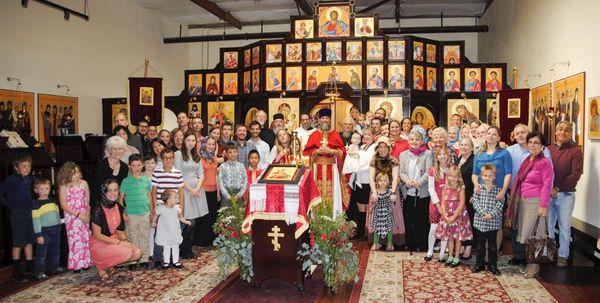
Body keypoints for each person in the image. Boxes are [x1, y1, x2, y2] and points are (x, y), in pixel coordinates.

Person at [506, 131, 554, 278]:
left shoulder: (544, 162)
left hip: (536, 202)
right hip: (524, 201)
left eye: (536, 143)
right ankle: (530, 263)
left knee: (536, 235)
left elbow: (547, 184)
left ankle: (535, 267)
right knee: (526, 234)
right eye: (531, 142)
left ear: (542, 146)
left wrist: (543, 205)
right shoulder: (528, 159)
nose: (532, 145)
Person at [90, 179, 142, 281]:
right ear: (104, 192)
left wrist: (126, 242)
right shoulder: (98, 209)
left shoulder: (118, 206)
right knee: (127, 253)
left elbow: (120, 231)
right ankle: (102, 267)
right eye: (109, 190)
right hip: (99, 244)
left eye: (115, 190)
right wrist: (119, 243)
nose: (113, 193)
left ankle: (110, 265)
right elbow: (97, 235)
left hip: (113, 241)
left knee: (137, 252)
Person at [547, 121, 583, 267]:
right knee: (548, 226)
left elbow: (575, 175)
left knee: (564, 227)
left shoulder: (575, 151)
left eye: (567, 130)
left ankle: (562, 256)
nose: (563, 132)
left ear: (571, 133)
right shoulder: (548, 149)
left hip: (566, 195)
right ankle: (549, 253)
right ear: (555, 131)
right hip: (548, 194)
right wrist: (550, 188)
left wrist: (557, 188)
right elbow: (544, 171)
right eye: (560, 129)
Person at [472, 126, 511, 251]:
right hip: (482, 193)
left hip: (497, 193)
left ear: (499, 137)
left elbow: (508, 173)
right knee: (482, 221)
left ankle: (493, 255)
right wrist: (476, 185)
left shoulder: (504, 153)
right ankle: (482, 255)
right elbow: (474, 174)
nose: (491, 136)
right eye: (488, 133)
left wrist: (503, 191)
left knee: (495, 223)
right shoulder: (479, 154)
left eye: (494, 134)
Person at [302, 108, 349, 214]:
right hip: (316, 169)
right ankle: (316, 220)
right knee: (317, 193)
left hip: (332, 169)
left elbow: (343, 152)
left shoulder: (335, 134)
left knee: (332, 193)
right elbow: (306, 153)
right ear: (319, 120)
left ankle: (333, 219)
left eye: (327, 118)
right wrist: (316, 151)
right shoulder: (314, 135)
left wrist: (332, 150)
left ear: (330, 120)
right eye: (323, 118)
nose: (325, 120)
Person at [0, 155, 35, 282]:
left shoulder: (29, 179)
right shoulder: (11, 180)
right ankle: (16, 273)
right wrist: (10, 203)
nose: (27, 168)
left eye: (29, 166)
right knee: (19, 242)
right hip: (17, 214)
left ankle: (30, 268)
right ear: (16, 167)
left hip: (29, 213)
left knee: (29, 240)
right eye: (24, 166)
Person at [174, 133, 208, 259]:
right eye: (189, 140)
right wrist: (190, 189)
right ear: (184, 141)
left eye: (193, 140)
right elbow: (177, 174)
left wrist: (197, 188)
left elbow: (201, 174)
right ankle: (184, 248)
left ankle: (188, 248)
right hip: (184, 190)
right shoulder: (178, 154)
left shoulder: (196, 155)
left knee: (195, 221)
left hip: (197, 191)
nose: (191, 142)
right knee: (189, 221)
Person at [399, 128, 432, 251]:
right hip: (408, 190)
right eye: (412, 139)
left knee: (421, 218)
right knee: (409, 217)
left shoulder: (428, 154)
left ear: (422, 140)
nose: (414, 141)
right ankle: (410, 242)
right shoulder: (403, 155)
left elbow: (429, 172)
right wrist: (407, 181)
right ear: (408, 141)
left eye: (417, 139)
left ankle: (421, 243)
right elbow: (402, 172)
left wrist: (418, 182)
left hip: (422, 191)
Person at [367, 137, 404, 247]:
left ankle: (390, 242)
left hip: (390, 191)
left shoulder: (393, 160)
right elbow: (371, 177)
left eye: (385, 147)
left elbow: (395, 176)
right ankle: (377, 242)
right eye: (380, 147)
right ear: (377, 148)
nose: (382, 149)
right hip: (377, 190)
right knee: (376, 217)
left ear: (388, 148)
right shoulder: (374, 160)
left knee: (390, 217)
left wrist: (392, 193)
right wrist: (374, 192)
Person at [150, 149, 185, 265]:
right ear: (161, 159)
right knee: (160, 232)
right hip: (162, 207)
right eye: (165, 158)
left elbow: (181, 192)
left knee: (173, 232)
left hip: (174, 208)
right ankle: (158, 258)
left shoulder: (178, 173)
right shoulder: (157, 172)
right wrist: (155, 206)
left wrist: (182, 208)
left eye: (170, 158)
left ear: (173, 159)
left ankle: (172, 258)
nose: (168, 160)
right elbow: (154, 191)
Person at [57, 161, 92, 273]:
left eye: (77, 172)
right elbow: (63, 204)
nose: (76, 175)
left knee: (85, 238)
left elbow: (87, 200)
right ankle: (76, 264)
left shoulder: (84, 183)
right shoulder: (64, 185)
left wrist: (87, 213)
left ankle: (86, 262)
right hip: (72, 216)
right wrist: (77, 214)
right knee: (75, 240)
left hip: (84, 214)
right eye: (73, 173)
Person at [119, 154, 152, 269]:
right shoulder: (126, 181)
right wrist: (124, 213)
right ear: (129, 166)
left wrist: (152, 212)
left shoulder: (146, 180)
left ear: (142, 165)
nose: (136, 168)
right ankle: (133, 260)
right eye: (134, 165)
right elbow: (120, 199)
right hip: (131, 214)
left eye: (139, 165)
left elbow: (149, 197)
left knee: (144, 236)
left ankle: (144, 259)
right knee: (132, 237)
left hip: (144, 213)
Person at [435, 166, 472, 267]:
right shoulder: (444, 188)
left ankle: (456, 257)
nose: (452, 178)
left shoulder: (461, 188)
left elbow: (462, 204)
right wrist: (445, 216)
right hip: (447, 215)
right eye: (450, 176)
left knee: (457, 238)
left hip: (458, 216)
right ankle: (450, 255)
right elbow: (442, 202)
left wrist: (453, 217)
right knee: (449, 238)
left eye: (454, 176)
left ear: (458, 177)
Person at [342, 127, 376, 239]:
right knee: (359, 205)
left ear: (373, 136)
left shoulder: (374, 148)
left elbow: (370, 163)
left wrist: (357, 165)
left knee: (367, 206)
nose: (366, 137)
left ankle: (367, 231)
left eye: (369, 135)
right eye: (364, 135)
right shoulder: (361, 147)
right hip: (358, 180)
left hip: (367, 179)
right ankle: (360, 230)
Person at [471, 164, 503, 275]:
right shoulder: (478, 189)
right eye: (485, 175)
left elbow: (500, 204)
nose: (487, 178)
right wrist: (483, 213)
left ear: (494, 177)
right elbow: (475, 202)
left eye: (490, 176)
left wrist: (491, 215)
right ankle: (479, 264)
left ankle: (492, 265)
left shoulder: (498, 190)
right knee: (480, 245)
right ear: (481, 176)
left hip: (493, 223)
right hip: (480, 222)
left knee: (493, 246)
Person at [31, 177, 65, 280]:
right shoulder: (36, 205)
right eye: (41, 189)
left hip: (56, 229)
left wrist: (61, 222)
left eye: (46, 188)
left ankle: (54, 268)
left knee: (55, 250)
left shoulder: (53, 201)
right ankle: (39, 271)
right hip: (44, 232)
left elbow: (57, 215)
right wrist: (39, 235)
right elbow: (36, 221)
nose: (44, 191)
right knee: (42, 253)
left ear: (50, 189)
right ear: (36, 190)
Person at [424, 147, 451, 262]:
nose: (443, 156)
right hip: (435, 203)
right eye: (440, 154)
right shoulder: (433, 170)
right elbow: (431, 188)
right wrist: (439, 205)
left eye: (445, 154)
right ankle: (430, 251)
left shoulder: (452, 169)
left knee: (445, 228)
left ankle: (442, 253)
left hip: (449, 203)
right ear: (436, 157)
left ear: (448, 156)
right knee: (433, 228)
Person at [154, 189, 191, 269]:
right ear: (168, 200)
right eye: (175, 198)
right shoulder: (161, 208)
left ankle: (175, 261)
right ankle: (166, 261)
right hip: (165, 231)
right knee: (166, 247)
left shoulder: (177, 208)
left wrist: (185, 221)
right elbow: (156, 215)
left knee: (175, 246)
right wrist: (154, 222)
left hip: (174, 231)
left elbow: (180, 217)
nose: (177, 199)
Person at [93, 136, 129, 203]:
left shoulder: (124, 167)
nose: (117, 151)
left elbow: (122, 188)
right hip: (101, 201)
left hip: (117, 202)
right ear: (109, 150)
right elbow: (97, 188)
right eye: (114, 149)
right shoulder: (101, 165)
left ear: (124, 150)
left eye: (120, 149)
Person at [456, 137, 476, 259]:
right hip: (458, 197)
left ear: (472, 148)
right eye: (461, 144)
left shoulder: (474, 160)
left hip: (469, 196)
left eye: (466, 145)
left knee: (469, 222)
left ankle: (469, 246)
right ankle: (462, 244)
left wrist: (474, 194)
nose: (463, 147)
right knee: (461, 222)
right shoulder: (458, 160)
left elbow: (476, 179)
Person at [198, 137, 220, 246]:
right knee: (204, 217)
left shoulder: (214, 158)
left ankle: (212, 240)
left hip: (214, 190)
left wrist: (218, 191)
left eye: (213, 144)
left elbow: (216, 175)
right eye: (209, 144)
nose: (211, 147)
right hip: (203, 190)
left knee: (213, 216)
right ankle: (203, 241)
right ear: (204, 145)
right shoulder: (199, 158)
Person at [370, 173, 395, 251]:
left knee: (389, 228)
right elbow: (372, 203)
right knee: (376, 228)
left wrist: (393, 198)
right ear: (377, 182)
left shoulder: (390, 192)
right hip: (378, 213)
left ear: (388, 182)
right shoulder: (375, 192)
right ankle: (376, 243)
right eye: (380, 181)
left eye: (384, 180)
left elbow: (394, 200)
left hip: (387, 213)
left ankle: (390, 243)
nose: (382, 182)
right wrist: (373, 200)